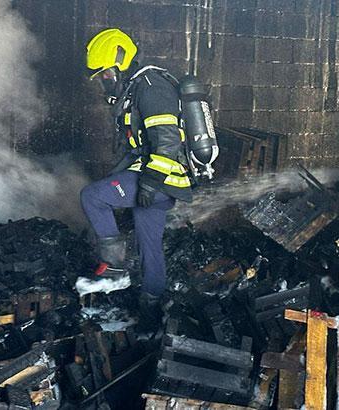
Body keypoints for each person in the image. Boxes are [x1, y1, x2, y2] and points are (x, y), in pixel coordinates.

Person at [78, 28, 194, 328]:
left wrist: (150, 183)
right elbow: (138, 147)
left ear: (121, 60)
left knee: (92, 196)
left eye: (106, 75)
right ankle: (151, 316)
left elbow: (168, 142)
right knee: (150, 247)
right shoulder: (134, 88)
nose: (104, 82)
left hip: (161, 179)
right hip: (155, 180)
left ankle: (115, 270)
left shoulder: (151, 86)